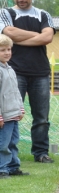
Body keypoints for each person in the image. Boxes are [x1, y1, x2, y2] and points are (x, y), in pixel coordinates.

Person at [0, 0, 55, 163]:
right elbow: (9, 33)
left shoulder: (43, 14)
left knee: (41, 118)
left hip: (40, 72)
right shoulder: (5, 13)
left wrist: (21, 38)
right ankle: (8, 156)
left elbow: (48, 38)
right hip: (13, 73)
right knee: (10, 116)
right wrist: (38, 36)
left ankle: (40, 153)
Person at [0, 34, 27, 178]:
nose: (6, 53)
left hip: (14, 114)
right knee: (3, 144)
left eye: (9, 49)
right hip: (4, 116)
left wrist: (20, 108)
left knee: (13, 142)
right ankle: (2, 169)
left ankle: (13, 167)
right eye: (2, 50)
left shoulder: (10, 69)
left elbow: (16, 92)